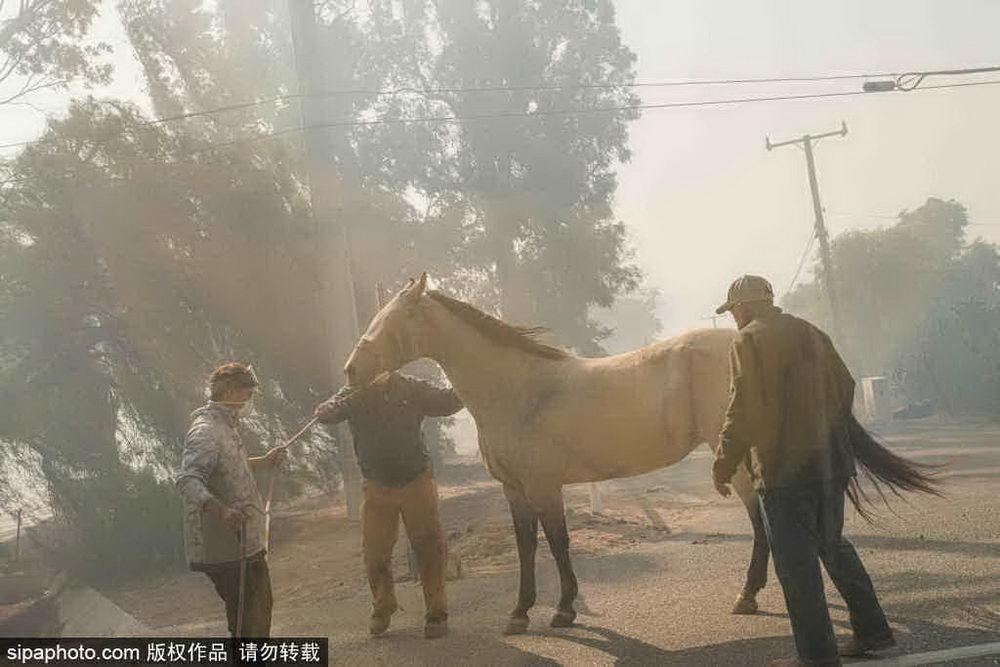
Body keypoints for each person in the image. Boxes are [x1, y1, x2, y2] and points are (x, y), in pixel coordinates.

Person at [711, 275, 895, 667]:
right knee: (833, 545)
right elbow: (845, 385)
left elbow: (742, 409)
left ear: (742, 308)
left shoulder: (748, 340)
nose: (734, 319)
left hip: (782, 473)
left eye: (733, 312)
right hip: (831, 465)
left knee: (797, 568)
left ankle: (817, 658)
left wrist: (724, 463)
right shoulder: (810, 331)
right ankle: (873, 630)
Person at [314, 371, 463, 639]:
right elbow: (331, 412)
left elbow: (447, 402)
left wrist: (466, 380)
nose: (368, 367)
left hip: (416, 481)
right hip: (376, 487)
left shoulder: (412, 386)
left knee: (429, 547)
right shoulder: (353, 392)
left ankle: (436, 613)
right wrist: (325, 411)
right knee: (375, 551)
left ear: (389, 362)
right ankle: (383, 605)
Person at [176, 363, 286, 637]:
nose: (250, 400)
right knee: (249, 616)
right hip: (224, 545)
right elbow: (188, 480)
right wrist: (222, 511)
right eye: (247, 394)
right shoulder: (205, 431)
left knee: (258, 610)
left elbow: (228, 467)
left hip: (244, 541)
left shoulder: (225, 425)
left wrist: (264, 462)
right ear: (231, 391)